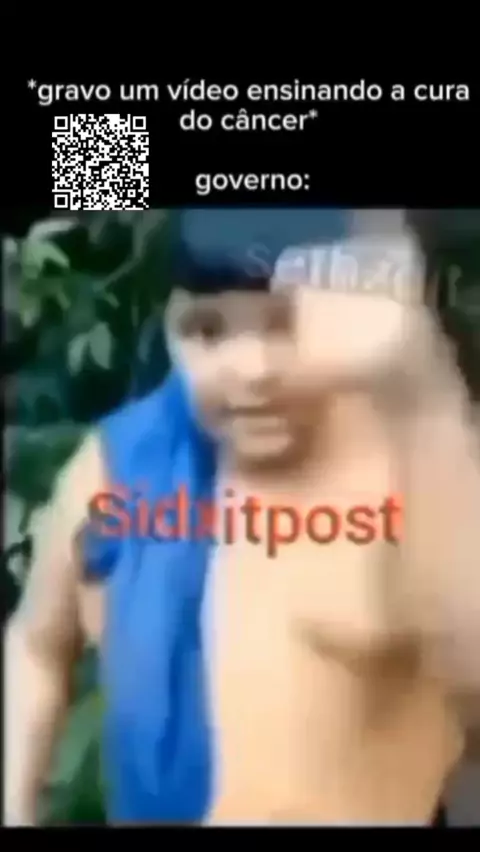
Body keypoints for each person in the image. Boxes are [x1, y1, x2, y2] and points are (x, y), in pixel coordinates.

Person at [5, 209, 480, 826]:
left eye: (286, 326)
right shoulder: (125, 466)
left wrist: (424, 402)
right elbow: (37, 645)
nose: (251, 370)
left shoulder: (420, 472)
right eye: (207, 331)